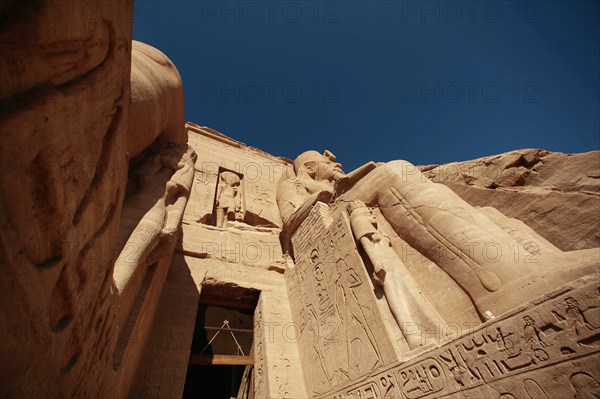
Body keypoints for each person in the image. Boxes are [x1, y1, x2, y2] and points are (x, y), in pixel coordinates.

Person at [277, 150, 535, 318]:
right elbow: (291, 223)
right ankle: (500, 282)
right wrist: (321, 195)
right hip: (326, 227)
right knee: (393, 171)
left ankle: (526, 264)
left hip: (344, 208)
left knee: (488, 211)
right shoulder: (294, 184)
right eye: (327, 163)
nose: (337, 163)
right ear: (310, 170)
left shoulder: (327, 182)